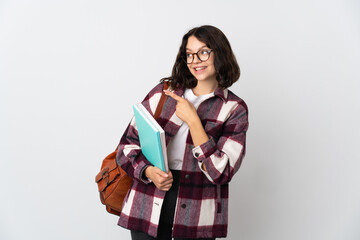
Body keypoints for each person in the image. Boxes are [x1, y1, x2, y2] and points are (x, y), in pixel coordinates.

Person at [116, 25, 249, 240]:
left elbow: (221, 173)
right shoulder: (163, 93)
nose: (196, 60)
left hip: (196, 213)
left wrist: (194, 121)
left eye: (204, 52)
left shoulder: (234, 109)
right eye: (189, 54)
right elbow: (126, 147)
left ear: (220, 54)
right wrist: (148, 172)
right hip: (148, 202)